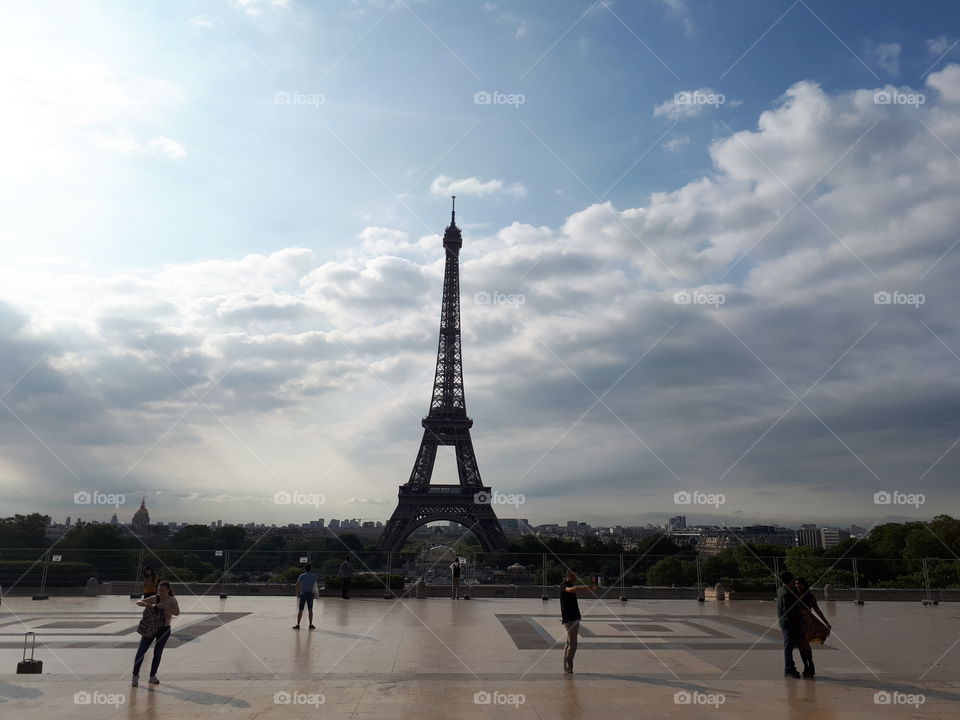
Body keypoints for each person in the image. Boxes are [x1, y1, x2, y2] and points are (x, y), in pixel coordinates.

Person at [132, 580, 179, 687]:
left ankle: (152, 676)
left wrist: (166, 607)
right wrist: (152, 605)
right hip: (150, 628)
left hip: (164, 629)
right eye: (159, 590)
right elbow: (139, 602)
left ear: (168, 590)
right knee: (141, 651)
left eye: (162, 590)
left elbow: (177, 612)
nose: (160, 592)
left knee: (157, 653)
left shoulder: (172, 600)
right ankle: (135, 675)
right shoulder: (155, 598)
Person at [559, 570, 596, 674]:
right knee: (573, 644)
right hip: (570, 619)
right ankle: (568, 667)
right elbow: (570, 590)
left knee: (569, 643)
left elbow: (572, 589)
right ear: (569, 575)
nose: (576, 577)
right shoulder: (564, 585)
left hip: (573, 618)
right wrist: (585, 587)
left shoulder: (569, 584)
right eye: (575, 575)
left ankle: (567, 666)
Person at [794, 577, 831, 677]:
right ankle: (806, 666)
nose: (797, 585)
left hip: (807, 623)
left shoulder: (809, 597)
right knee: (801, 646)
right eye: (796, 584)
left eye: (799, 584)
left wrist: (826, 623)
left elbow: (817, 610)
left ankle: (810, 664)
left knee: (805, 645)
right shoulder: (794, 595)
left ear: (804, 584)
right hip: (798, 623)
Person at [776, 571, 803, 678]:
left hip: (784, 622)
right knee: (788, 646)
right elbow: (789, 611)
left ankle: (790, 667)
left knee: (789, 645)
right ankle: (788, 669)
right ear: (789, 580)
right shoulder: (786, 593)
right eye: (792, 580)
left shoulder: (781, 590)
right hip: (788, 623)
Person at [292, 563, 318, 630]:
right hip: (310, 594)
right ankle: (310, 625)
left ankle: (298, 625)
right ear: (311, 569)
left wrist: (298, 593)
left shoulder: (302, 576)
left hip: (303, 594)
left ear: (304, 569)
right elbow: (315, 585)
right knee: (310, 610)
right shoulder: (314, 576)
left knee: (300, 610)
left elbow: (296, 585)